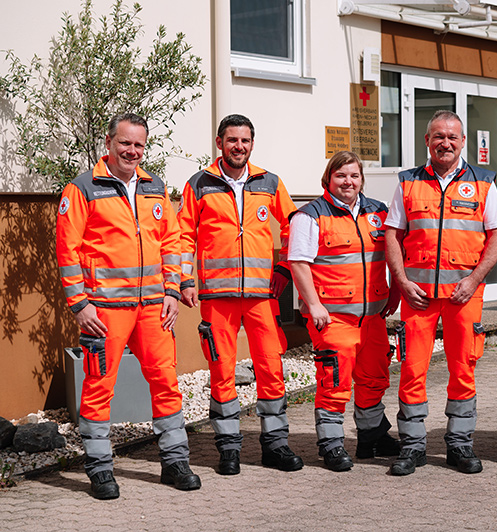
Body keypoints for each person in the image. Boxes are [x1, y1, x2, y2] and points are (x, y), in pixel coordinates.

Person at [56, 113, 201, 500]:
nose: (131, 151)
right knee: (99, 386)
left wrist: (172, 292)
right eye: (125, 143)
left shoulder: (155, 188)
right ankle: (100, 470)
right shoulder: (82, 188)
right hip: (103, 311)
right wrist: (79, 305)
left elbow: (173, 243)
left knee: (166, 383)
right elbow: (67, 251)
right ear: (109, 143)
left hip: (155, 308)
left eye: (138, 145)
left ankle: (175, 462)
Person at [178, 114, 302, 475]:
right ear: (220, 143)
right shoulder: (199, 183)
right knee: (221, 370)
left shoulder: (269, 182)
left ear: (252, 144)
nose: (239, 147)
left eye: (245, 141)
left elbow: (293, 226)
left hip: (263, 294)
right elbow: (184, 236)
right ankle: (229, 448)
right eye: (232, 140)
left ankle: (275, 445)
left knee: (271, 367)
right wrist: (185, 280)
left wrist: (283, 270)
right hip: (218, 296)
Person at [384, 110, 497, 476]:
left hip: (463, 296)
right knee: (412, 370)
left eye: (453, 137)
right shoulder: (408, 182)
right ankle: (412, 446)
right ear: (427, 141)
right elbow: (392, 234)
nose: (445, 143)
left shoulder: (483, 182)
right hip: (417, 297)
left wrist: (474, 280)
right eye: (438, 136)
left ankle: (459, 445)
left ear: (463, 141)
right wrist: (402, 282)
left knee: (463, 369)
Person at [288, 151, 402, 471]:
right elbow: (298, 263)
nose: (348, 182)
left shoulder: (378, 213)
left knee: (374, 377)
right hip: (333, 317)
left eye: (353, 175)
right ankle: (331, 444)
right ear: (328, 179)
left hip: (373, 316)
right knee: (334, 381)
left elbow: (394, 255)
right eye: (341, 176)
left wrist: (394, 291)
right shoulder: (310, 216)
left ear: (362, 179)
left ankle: (371, 436)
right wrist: (313, 305)